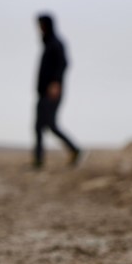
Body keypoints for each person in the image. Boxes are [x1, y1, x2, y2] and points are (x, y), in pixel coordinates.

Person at [33, 13, 82, 169]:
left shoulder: (56, 43)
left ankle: (74, 150)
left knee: (50, 125)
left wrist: (55, 83)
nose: (39, 28)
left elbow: (64, 64)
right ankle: (38, 160)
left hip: (51, 92)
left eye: (41, 25)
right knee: (39, 126)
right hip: (43, 92)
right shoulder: (48, 44)